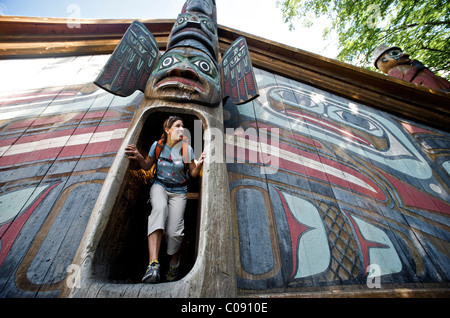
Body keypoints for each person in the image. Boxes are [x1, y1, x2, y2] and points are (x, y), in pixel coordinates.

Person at [125, 116, 206, 283]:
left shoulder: (186, 149)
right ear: (167, 130)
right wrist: (139, 156)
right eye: (177, 126)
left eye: (183, 126)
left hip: (179, 190)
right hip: (159, 185)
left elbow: (192, 174)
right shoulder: (157, 146)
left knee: (174, 231)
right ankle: (153, 265)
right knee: (159, 209)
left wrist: (199, 165)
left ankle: (174, 262)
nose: (182, 129)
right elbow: (147, 165)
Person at [372, 44, 450, 91]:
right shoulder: (394, 71)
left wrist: (422, 67)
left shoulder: (409, 66)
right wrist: (416, 68)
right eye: (395, 53)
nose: (403, 54)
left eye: (400, 52)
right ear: (384, 60)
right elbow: (403, 83)